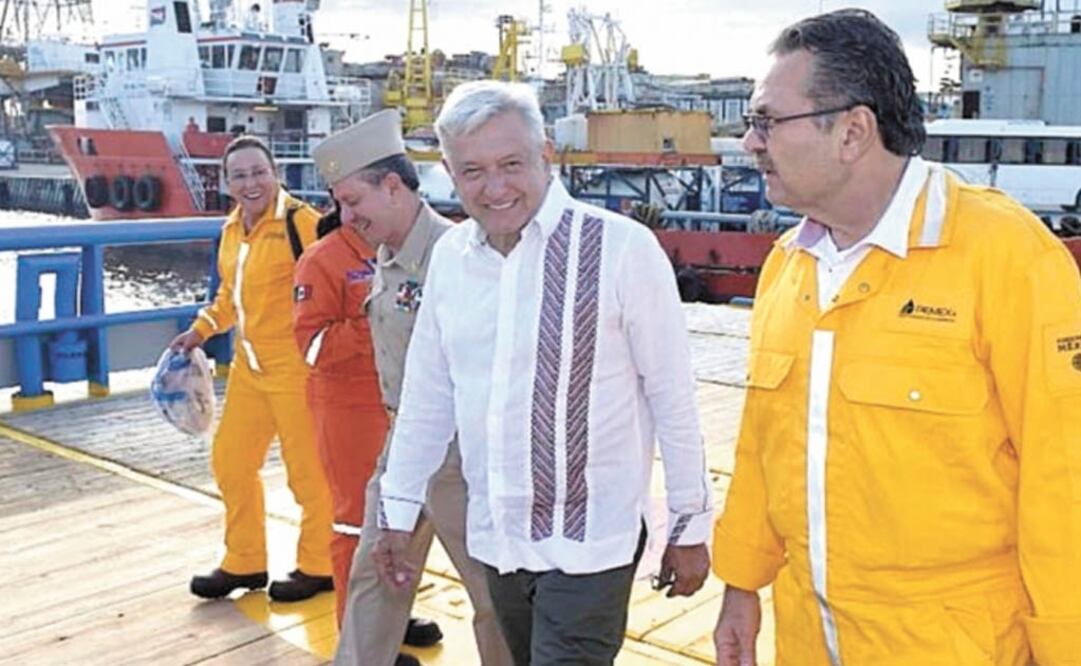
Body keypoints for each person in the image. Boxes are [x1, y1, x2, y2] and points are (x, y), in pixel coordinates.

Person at [711, 10, 1081, 666]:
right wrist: (741, 583)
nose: (748, 142)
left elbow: (1065, 477)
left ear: (853, 130)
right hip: (808, 636)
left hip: (953, 645)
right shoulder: (786, 266)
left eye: (766, 120)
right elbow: (760, 443)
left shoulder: (1003, 256)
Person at [373, 81, 714, 666]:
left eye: (511, 163)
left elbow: (672, 396)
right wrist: (396, 510)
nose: (495, 187)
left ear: (546, 154)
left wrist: (689, 525)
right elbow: (428, 399)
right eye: (472, 170)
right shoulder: (452, 261)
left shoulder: (622, 249)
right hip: (498, 539)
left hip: (591, 545)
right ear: (449, 173)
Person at [312, 110, 509, 666]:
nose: (344, 217)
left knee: (491, 592)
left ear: (393, 185)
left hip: (459, 453)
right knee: (375, 576)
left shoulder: (465, 255)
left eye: (353, 201)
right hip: (401, 442)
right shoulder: (386, 255)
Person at [172, 135, 334, 602]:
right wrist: (200, 331)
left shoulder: (303, 224)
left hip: (297, 370)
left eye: (258, 172)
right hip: (250, 369)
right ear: (227, 183)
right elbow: (230, 297)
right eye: (239, 175)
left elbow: (334, 284)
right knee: (231, 462)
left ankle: (319, 566)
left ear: (275, 172)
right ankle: (244, 562)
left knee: (309, 474)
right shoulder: (231, 230)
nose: (251, 183)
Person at [291, 197, 389, 625]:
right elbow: (313, 346)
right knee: (355, 522)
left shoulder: (407, 250)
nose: (361, 212)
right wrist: (380, 321)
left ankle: (391, 619)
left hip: (403, 403)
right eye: (350, 203)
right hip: (349, 409)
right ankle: (357, 634)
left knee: (401, 518)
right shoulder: (322, 260)